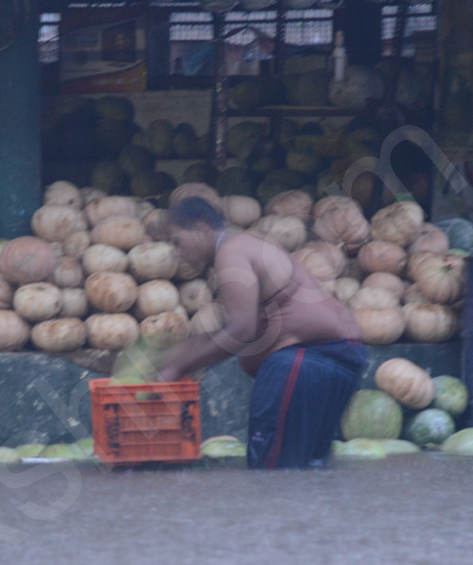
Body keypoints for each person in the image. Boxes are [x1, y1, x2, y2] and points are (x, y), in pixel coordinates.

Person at [154, 197, 367, 469]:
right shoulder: (245, 247)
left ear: (203, 228)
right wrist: (174, 358)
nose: (176, 252)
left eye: (176, 241)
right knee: (308, 473)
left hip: (306, 362)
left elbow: (242, 330)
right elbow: (234, 327)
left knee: (272, 474)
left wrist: (179, 366)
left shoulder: (230, 252)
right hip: (343, 358)